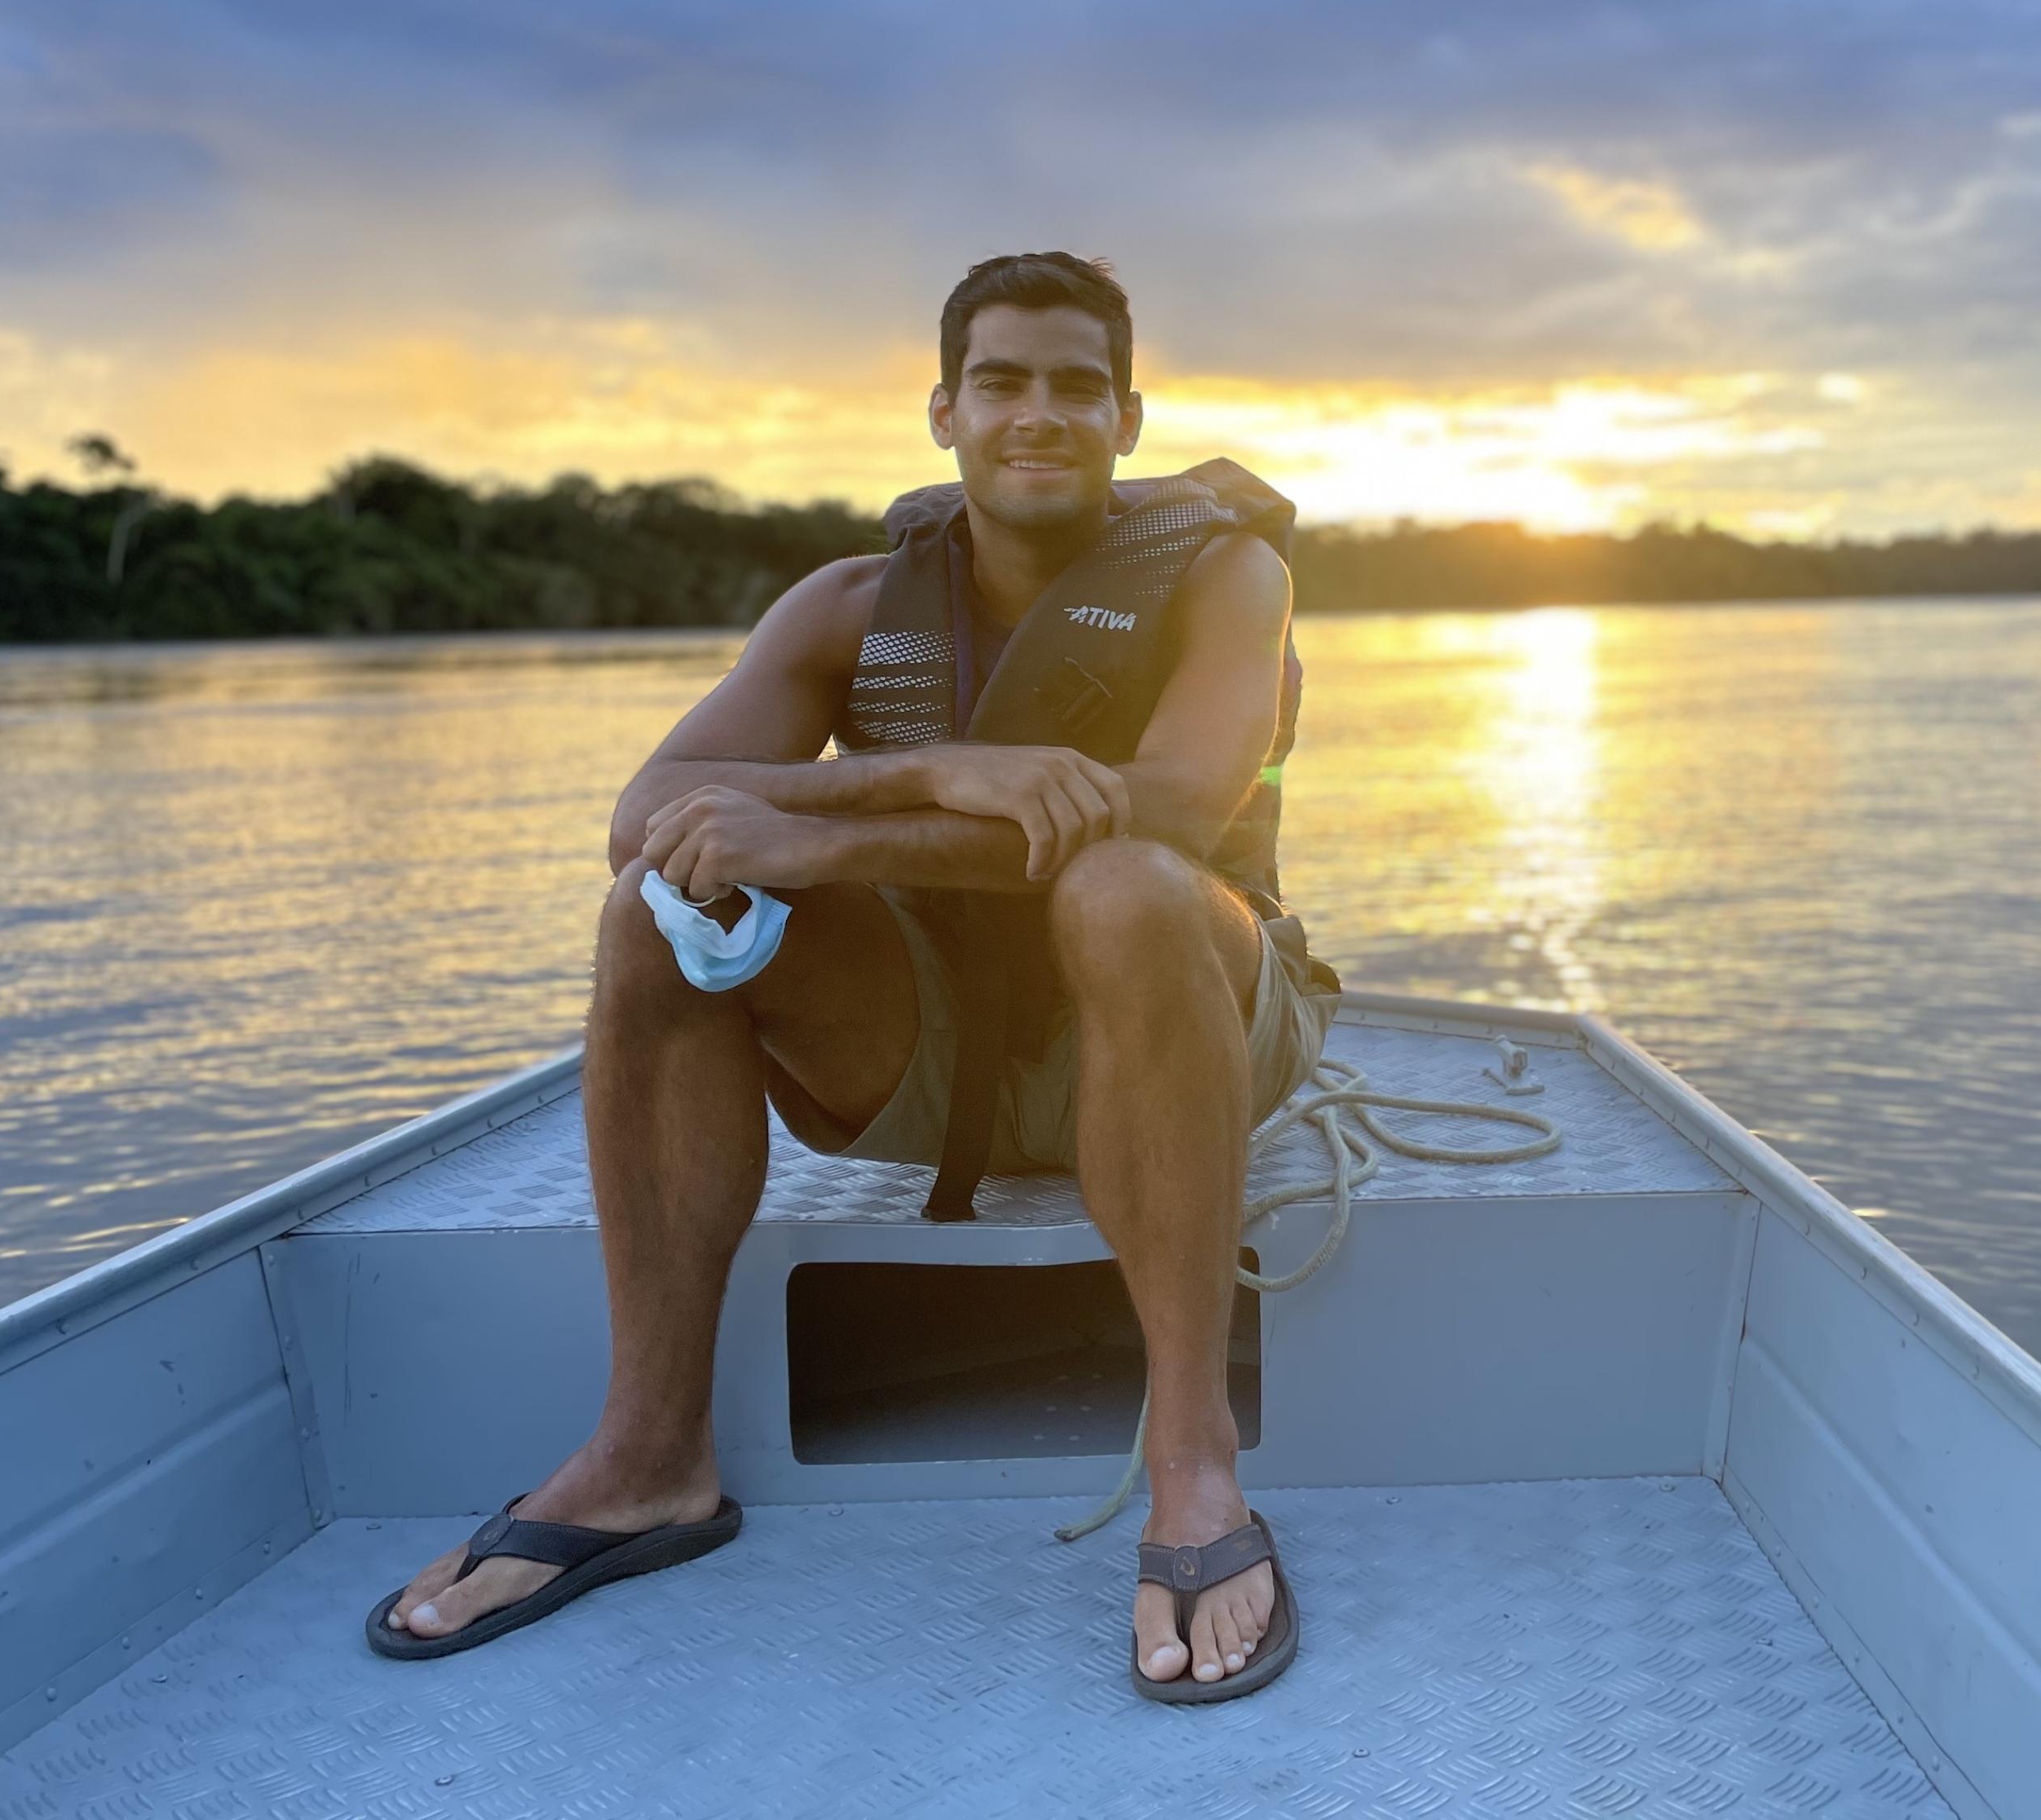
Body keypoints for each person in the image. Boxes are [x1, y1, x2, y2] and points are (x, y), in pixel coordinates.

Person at [367, 251, 1332, 1702]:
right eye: (1002, 381)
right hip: (933, 1058)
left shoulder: (1229, 576)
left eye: (1080, 387)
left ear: (1129, 421)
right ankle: (649, 1457)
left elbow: (1183, 808)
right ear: (945, 411)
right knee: (658, 902)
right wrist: (943, 764)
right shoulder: (845, 606)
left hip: (1185, 1015)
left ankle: (1197, 1469)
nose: (1039, 413)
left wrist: (818, 834)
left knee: (1125, 877)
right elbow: (647, 811)